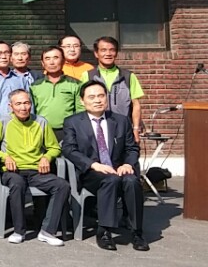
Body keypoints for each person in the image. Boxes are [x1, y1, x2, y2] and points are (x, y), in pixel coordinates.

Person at [62, 80, 149, 251]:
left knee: (132, 181)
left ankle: (137, 232)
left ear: (106, 98)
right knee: (110, 180)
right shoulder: (73, 122)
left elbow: (132, 148)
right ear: (82, 101)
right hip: (92, 172)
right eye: (92, 97)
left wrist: (128, 164)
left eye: (101, 96)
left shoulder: (121, 121)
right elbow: (69, 149)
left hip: (118, 168)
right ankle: (104, 231)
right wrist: (93, 164)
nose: (97, 100)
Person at [0, 89, 70, 246]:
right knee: (17, 184)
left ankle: (47, 231)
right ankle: (19, 231)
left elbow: (54, 147)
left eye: (26, 103)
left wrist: (47, 157)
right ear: (11, 106)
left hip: (37, 171)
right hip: (13, 171)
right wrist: (4, 157)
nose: (23, 107)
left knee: (62, 185)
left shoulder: (41, 122)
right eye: (18, 104)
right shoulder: (2, 122)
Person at [83, 36, 145, 143]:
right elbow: (82, 105)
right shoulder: (88, 76)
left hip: (123, 129)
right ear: (96, 53)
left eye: (112, 50)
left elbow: (136, 104)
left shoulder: (128, 76)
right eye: (103, 50)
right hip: (96, 129)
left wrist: (136, 129)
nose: (108, 53)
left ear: (116, 53)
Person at [29, 47, 81, 142]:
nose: (51, 62)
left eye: (56, 58)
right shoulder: (35, 86)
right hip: (42, 130)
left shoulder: (75, 84)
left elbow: (80, 111)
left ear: (63, 61)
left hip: (68, 131)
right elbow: (32, 111)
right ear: (43, 63)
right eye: (47, 59)